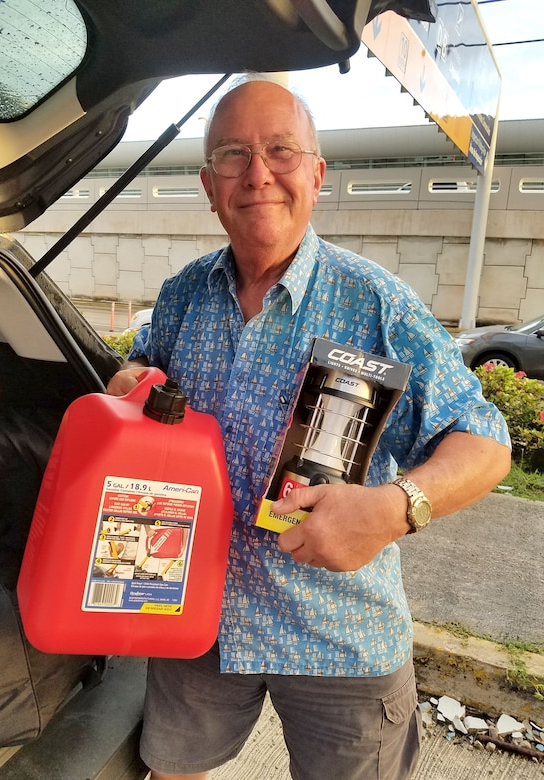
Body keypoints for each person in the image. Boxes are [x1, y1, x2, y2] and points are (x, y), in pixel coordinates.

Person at [107, 76, 511, 780]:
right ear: (208, 185)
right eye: (232, 154)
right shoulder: (180, 295)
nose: (257, 173)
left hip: (339, 636)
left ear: (316, 174)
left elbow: (483, 439)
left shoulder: (378, 304)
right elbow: (147, 377)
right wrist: (130, 381)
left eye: (279, 150)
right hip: (190, 615)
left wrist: (395, 507)